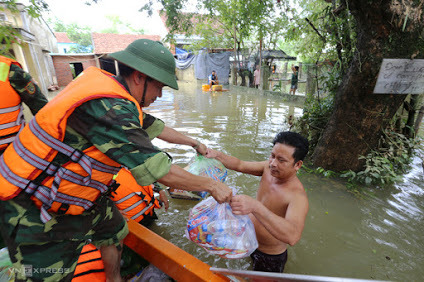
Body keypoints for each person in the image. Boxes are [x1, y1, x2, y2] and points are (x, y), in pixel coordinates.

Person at [0, 39, 232, 282]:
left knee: (114, 229)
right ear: (140, 77)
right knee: (46, 276)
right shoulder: (111, 108)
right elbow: (159, 171)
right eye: (159, 87)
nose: (160, 95)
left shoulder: (112, 93)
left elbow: (155, 126)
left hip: (76, 192)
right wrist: (212, 185)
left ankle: (114, 279)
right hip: (32, 199)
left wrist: (194, 143)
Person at [205, 131, 309, 273]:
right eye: (272, 156)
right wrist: (214, 154)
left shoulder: (297, 196)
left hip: (269, 255)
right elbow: (240, 164)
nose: (273, 163)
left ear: (297, 164)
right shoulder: (267, 168)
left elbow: (293, 236)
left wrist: (255, 206)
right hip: (249, 242)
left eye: (281, 160)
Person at [0, 55, 48, 155]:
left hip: (12, 150)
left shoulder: (10, 70)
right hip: (12, 152)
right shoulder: (9, 70)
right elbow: (44, 112)